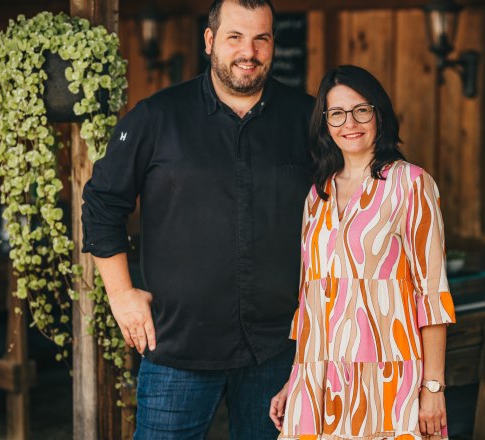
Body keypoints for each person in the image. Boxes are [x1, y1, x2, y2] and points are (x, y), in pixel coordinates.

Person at [81, 0, 314, 438]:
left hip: (278, 350)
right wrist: (121, 294)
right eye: (235, 37)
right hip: (178, 348)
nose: (249, 51)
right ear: (210, 41)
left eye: (261, 38)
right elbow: (101, 204)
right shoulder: (157, 116)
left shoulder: (305, 117)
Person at [269, 65, 456, 439]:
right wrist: (297, 376)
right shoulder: (316, 195)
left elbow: (431, 293)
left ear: (378, 114)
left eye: (360, 110)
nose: (349, 122)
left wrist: (433, 388)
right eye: (336, 113)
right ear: (324, 123)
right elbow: (311, 298)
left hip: (390, 375)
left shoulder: (411, 184)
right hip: (320, 379)